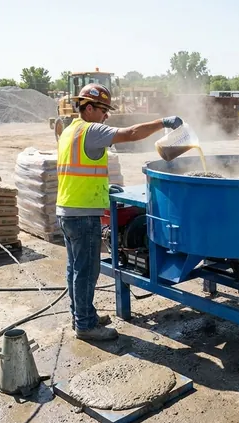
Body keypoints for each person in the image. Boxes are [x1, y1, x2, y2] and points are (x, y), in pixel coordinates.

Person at [57, 83, 182, 341]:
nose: (106, 116)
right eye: (104, 110)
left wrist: (104, 188)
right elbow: (132, 133)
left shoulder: (70, 131)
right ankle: (86, 326)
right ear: (89, 108)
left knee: (75, 269)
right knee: (86, 272)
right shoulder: (90, 130)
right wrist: (163, 122)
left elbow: (80, 171)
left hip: (67, 210)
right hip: (82, 215)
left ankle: (82, 315)